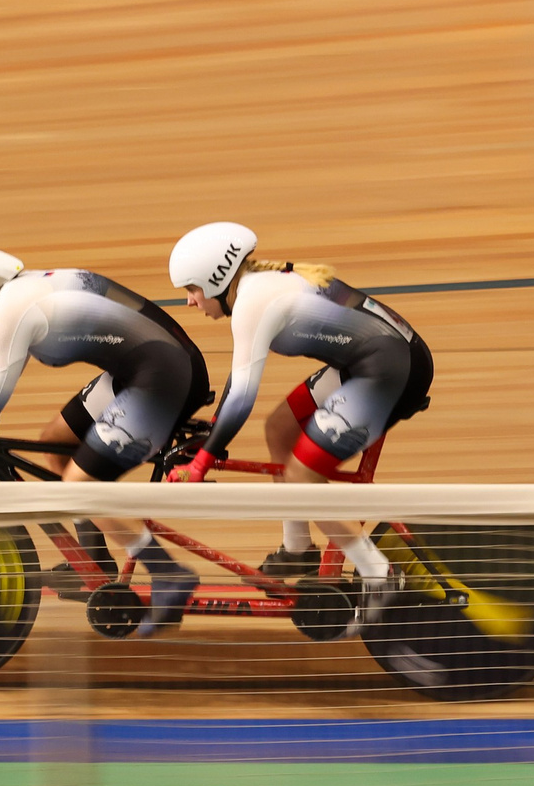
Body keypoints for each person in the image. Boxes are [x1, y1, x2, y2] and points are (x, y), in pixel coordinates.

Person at [0, 243, 212, 635]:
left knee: (79, 487)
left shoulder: (11, 312)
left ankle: (169, 574)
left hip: (165, 377)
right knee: (55, 441)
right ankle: (94, 561)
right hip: (148, 365)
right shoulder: (18, 295)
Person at [164, 222, 434, 613]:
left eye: (192, 289)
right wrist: (214, 436)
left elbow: (242, 396)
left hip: (390, 371)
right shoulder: (258, 282)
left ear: (216, 279)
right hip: (378, 359)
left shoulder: (252, 303)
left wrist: (201, 463)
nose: (190, 302)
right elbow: (240, 378)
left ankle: (379, 573)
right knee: (280, 428)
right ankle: (298, 549)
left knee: (301, 476)